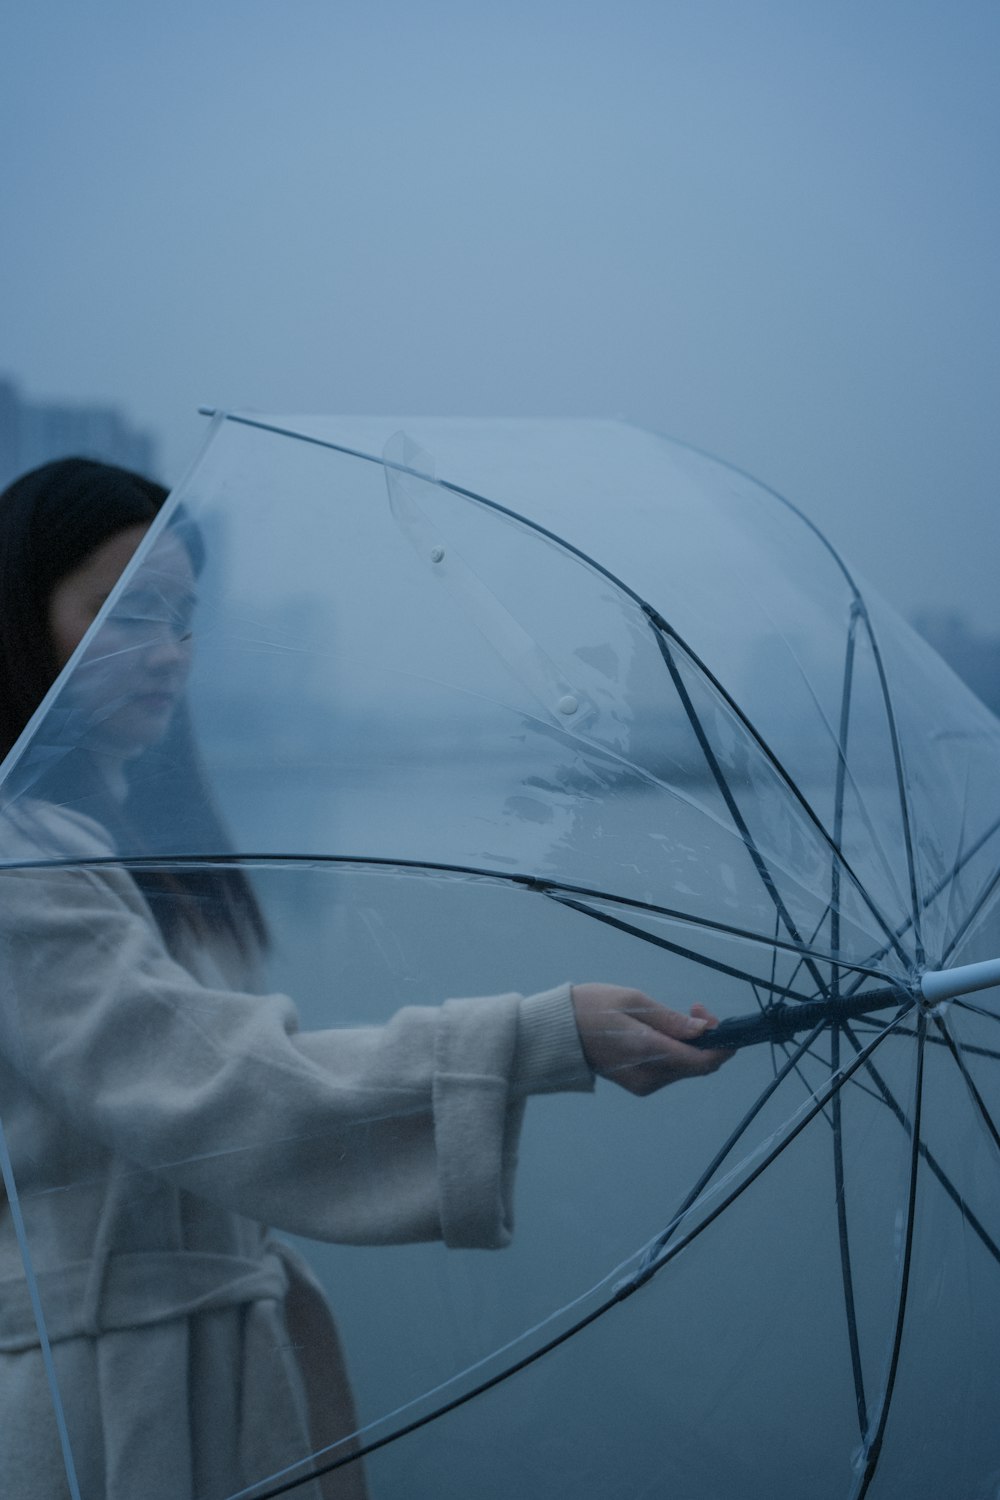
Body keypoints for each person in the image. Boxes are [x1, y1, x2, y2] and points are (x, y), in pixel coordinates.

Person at [0, 459, 729, 1500]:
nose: (169, 653)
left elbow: (222, 1068)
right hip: (104, 1410)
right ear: (22, 620)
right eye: (128, 613)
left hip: (191, 1364)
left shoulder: (112, 847)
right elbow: (222, 1087)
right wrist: (544, 1036)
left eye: (183, 619)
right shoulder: (19, 870)